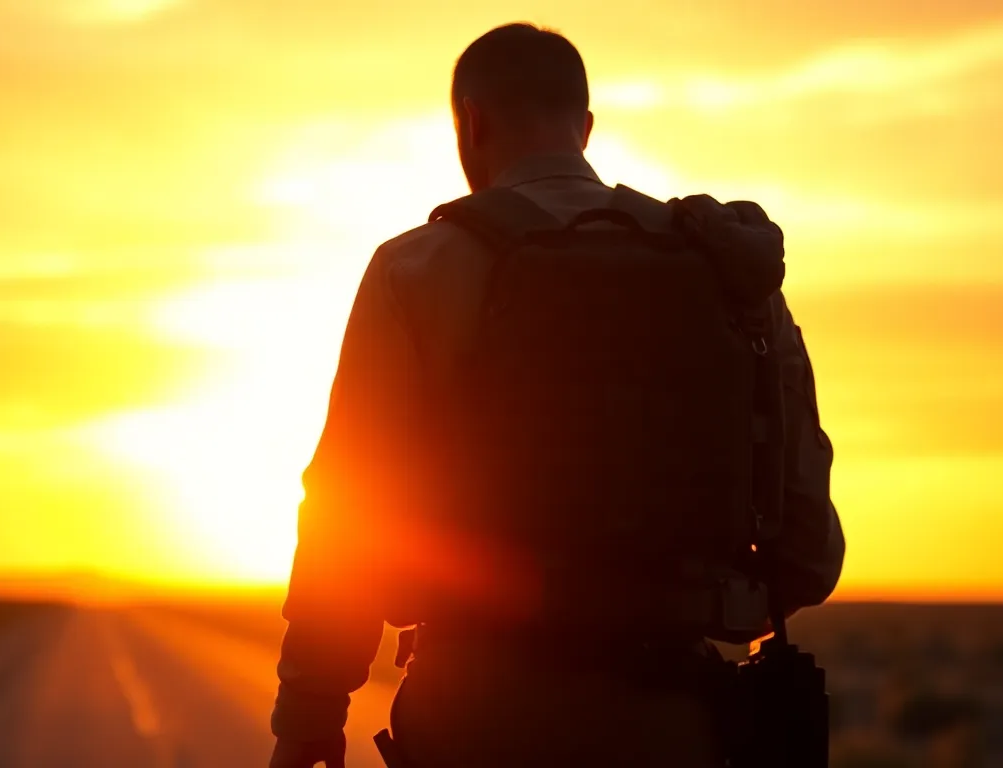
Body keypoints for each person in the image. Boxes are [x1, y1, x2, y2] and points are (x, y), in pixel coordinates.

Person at [269, 22, 845, 768]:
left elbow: (346, 519)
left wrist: (309, 717)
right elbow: (809, 552)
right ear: (585, 127)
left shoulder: (418, 269)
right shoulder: (729, 273)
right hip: (675, 726)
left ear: (470, 123)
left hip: (477, 720)